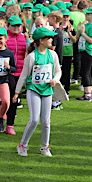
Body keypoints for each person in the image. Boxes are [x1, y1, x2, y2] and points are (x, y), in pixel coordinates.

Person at [15, 27, 62, 157]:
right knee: (34, 119)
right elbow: (24, 76)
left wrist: (55, 79)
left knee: (46, 121)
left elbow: (58, 71)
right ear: (41, 41)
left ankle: (45, 147)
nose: (52, 40)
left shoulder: (53, 55)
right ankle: (22, 145)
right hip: (33, 89)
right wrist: (17, 92)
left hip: (47, 90)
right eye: (49, 38)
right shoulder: (31, 57)